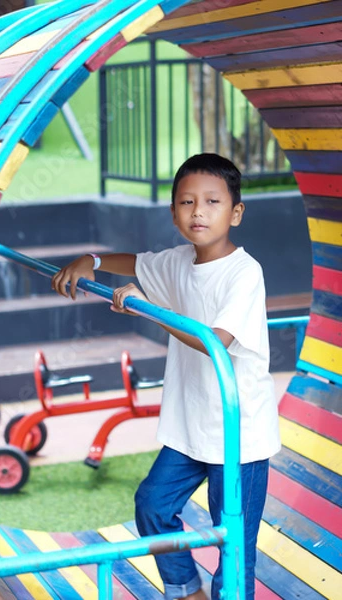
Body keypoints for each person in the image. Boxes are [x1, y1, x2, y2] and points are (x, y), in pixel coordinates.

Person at [51, 153, 281, 600]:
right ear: (173, 212)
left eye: (213, 201)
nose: (199, 211)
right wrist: (90, 260)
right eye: (187, 201)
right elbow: (134, 262)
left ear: (235, 212)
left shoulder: (244, 273)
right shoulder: (178, 261)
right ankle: (185, 590)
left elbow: (214, 342)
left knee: (233, 547)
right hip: (191, 428)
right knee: (153, 505)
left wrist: (150, 308)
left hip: (240, 439)